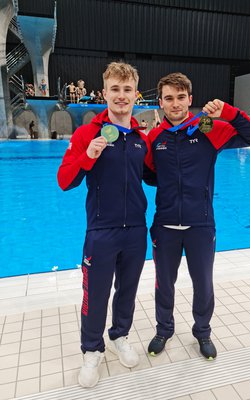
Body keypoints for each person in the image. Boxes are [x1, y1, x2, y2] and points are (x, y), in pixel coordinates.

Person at [144, 72, 250, 361]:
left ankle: (203, 332)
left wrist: (229, 112)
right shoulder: (154, 137)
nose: (175, 103)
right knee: (164, 282)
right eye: (169, 98)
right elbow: (148, 174)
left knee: (203, 283)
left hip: (200, 224)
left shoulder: (207, 128)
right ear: (160, 102)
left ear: (190, 99)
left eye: (181, 97)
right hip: (165, 226)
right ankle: (164, 330)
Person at [57, 62, 153, 388]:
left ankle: (120, 335)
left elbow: (156, 176)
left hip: (136, 231)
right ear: (105, 92)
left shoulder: (142, 138)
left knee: (127, 291)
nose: (121, 96)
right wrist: (87, 155)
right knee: (95, 295)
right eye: (115, 89)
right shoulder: (88, 133)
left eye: (127, 90)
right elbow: (64, 181)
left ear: (135, 94)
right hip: (101, 231)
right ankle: (91, 349)